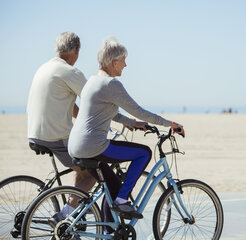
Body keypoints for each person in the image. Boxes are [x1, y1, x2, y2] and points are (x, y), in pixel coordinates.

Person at [68, 37, 185, 225]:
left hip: (76, 145)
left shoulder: (93, 80)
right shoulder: (111, 84)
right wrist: (169, 123)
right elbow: (139, 110)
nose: (125, 64)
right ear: (114, 62)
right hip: (93, 146)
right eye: (123, 60)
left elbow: (107, 112)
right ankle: (123, 201)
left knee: (113, 186)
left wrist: (131, 123)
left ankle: (109, 230)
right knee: (143, 153)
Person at [27, 32, 96, 224]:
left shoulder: (44, 68)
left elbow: (68, 104)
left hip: (34, 133)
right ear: (76, 51)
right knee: (92, 171)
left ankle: (74, 205)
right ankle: (65, 216)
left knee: (80, 165)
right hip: (54, 136)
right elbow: (95, 98)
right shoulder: (69, 72)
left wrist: (83, 117)